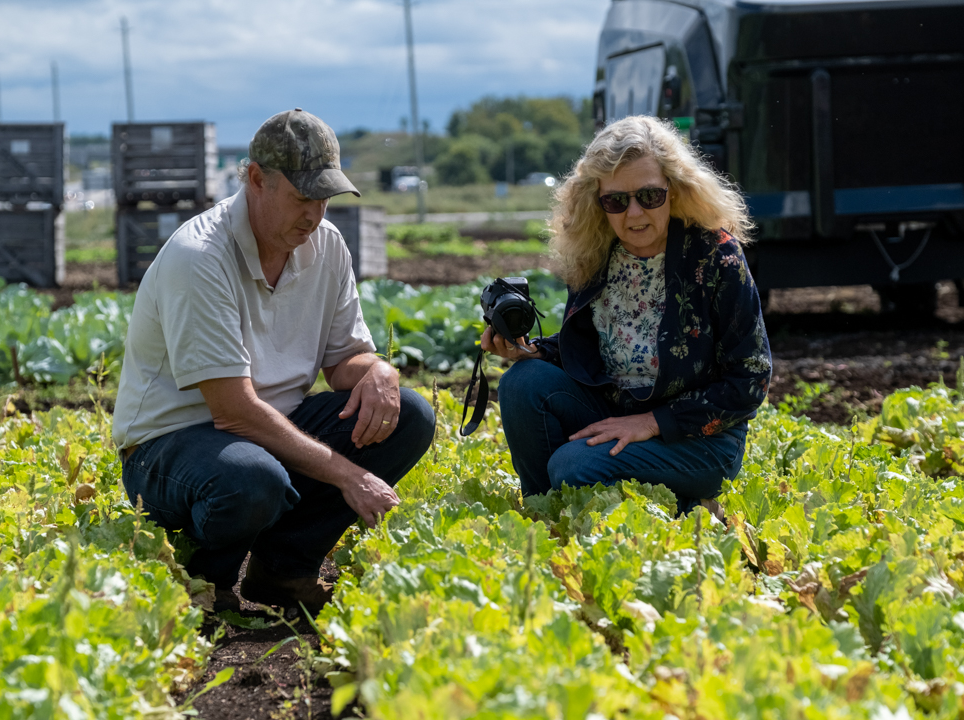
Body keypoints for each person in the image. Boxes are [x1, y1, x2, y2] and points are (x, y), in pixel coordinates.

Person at [112, 108, 435, 614]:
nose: (314, 214)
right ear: (256, 179)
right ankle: (200, 578)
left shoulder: (326, 246)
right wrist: (349, 476)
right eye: (303, 198)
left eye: (324, 199)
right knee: (254, 479)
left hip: (266, 432)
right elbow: (232, 411)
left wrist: (380, 371)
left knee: (409, 416)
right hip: (170, 446)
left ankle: (283, 571)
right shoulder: (201, 257)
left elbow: (345, 360)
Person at [482, 115, 771, 513]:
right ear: (597, 202)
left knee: (573, 465)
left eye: (649, 196)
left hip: (698, 440)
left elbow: (751, 378)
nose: (634, 214)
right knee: (521, 383)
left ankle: (689, 507)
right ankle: (546, 515)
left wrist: (651, 422)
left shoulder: (716, 256)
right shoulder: (595, 255)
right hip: (617, 419)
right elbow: (593, 349)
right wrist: (532, 352)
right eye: (616, 201)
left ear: (675, 189)